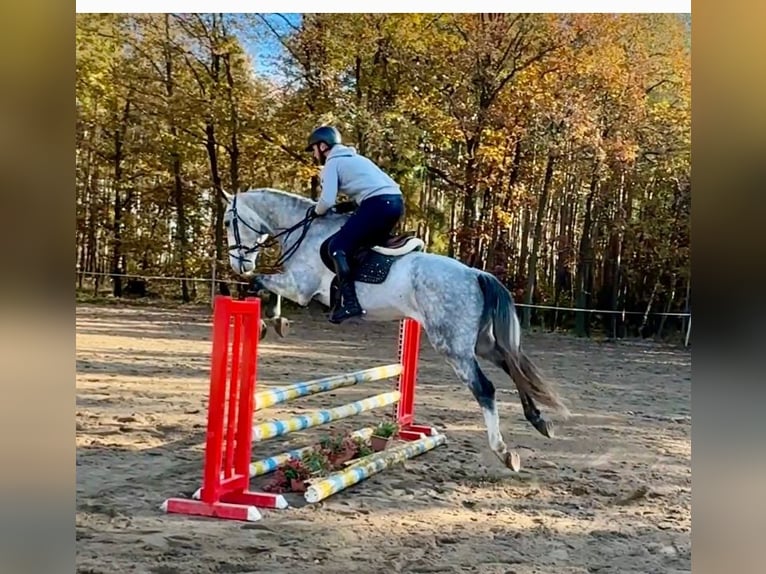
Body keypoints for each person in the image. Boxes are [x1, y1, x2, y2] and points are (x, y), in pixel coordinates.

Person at [305, 125, 405, 324]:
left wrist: (314, 212)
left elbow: (326, 201)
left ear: (323, 146)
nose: (314, 155)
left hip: (377, 204)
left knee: (337, 247)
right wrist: (349, 206)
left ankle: (350, 302)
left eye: (314, 149)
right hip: (395, 204)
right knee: (363, 247)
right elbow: (374, 187)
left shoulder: (332, 163)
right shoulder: (357, 159)